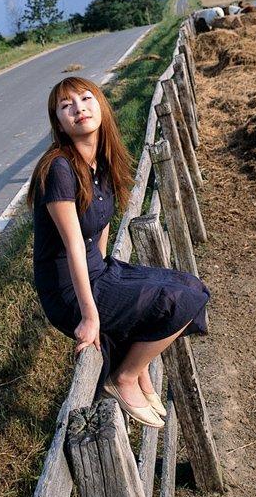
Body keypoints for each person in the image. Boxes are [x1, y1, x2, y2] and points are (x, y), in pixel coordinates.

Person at [28, 76, 210, 428]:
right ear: (59, 124)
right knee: (180, 301)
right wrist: (90, 316)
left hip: (96, 270)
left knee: (192, 286)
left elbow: (100, 226)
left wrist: (111, 272)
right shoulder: (58, 169)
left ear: (101, 105)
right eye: (66, 106)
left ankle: (136, 366)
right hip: (68, 291)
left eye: (85, 98)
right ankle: (124, 376)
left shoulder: (102, 159)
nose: (78, 108)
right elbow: (73, 246)